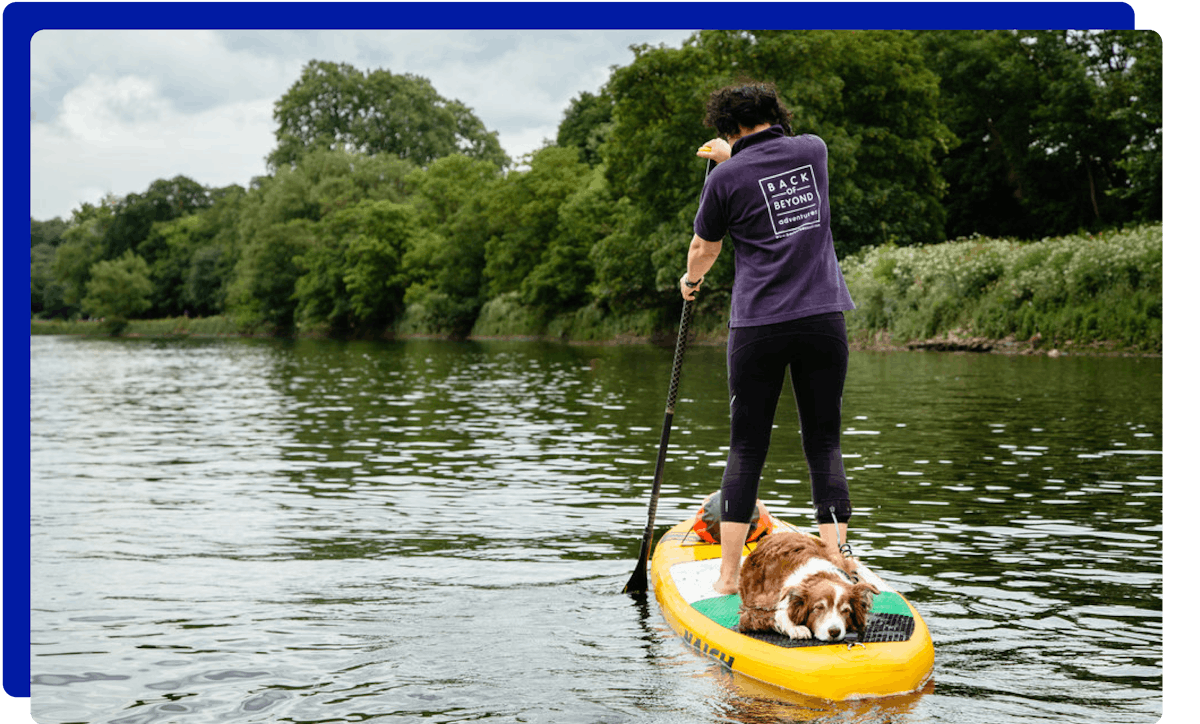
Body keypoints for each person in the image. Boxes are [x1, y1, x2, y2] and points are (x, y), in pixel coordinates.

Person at [680, 82, 856, 595]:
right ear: (775, 112)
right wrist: (731, 155)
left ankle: (728, 576)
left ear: (725, 128)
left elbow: (703, 247)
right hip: (824, 318)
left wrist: (691, 283)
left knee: (746, 448)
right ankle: (841, 559)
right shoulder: (814, 150)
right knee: (824, 442)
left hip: (758, 325)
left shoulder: (724, 177)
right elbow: (769, 165)